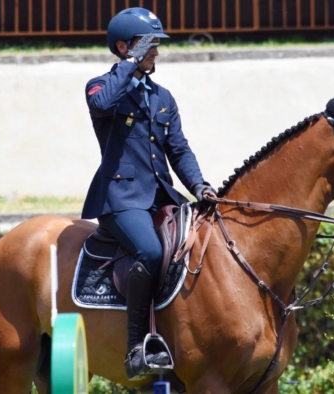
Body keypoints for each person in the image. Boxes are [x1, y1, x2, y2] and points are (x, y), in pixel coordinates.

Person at [81, 7, 216, 380]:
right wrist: (130, 62)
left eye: (155, 45)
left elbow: (179, 150)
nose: (156, 52)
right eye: (149, 45)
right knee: (151, 251)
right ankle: (136, 347)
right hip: (120, 198)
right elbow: (101, 104)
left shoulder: (163, 96)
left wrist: (199, 185)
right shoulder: (100, 85)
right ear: (124, 47)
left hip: (161, 196)